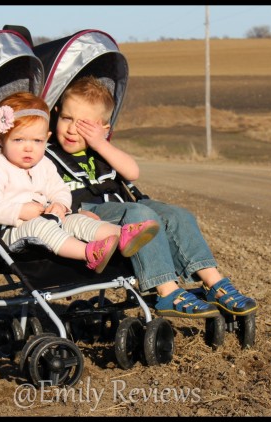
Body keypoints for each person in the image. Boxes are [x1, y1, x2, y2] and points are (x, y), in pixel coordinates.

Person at [46, 76, 257, 317]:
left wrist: (100, 144)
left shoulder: (102, 151)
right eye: (67, 119)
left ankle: (213, 281)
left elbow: (133, 172)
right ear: (56, 114)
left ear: (104, 129)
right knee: (141, 214)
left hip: (121, 207)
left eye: (85, 125)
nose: (72, 129)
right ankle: (167, 290)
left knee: (177, 215)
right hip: (89, 216)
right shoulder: (46, 156)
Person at [0, 91, 159, 274]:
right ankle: (89, 253)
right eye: (19, 139)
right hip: (11, 232)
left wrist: (60, 205)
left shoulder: (43, 164)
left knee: (77, 220)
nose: (28, 148)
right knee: (40, 227)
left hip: (49, 220)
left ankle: (122, 234)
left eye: (37, 141)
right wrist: (19, 211)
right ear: (1, 139)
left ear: (46, 138)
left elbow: (59, 189)